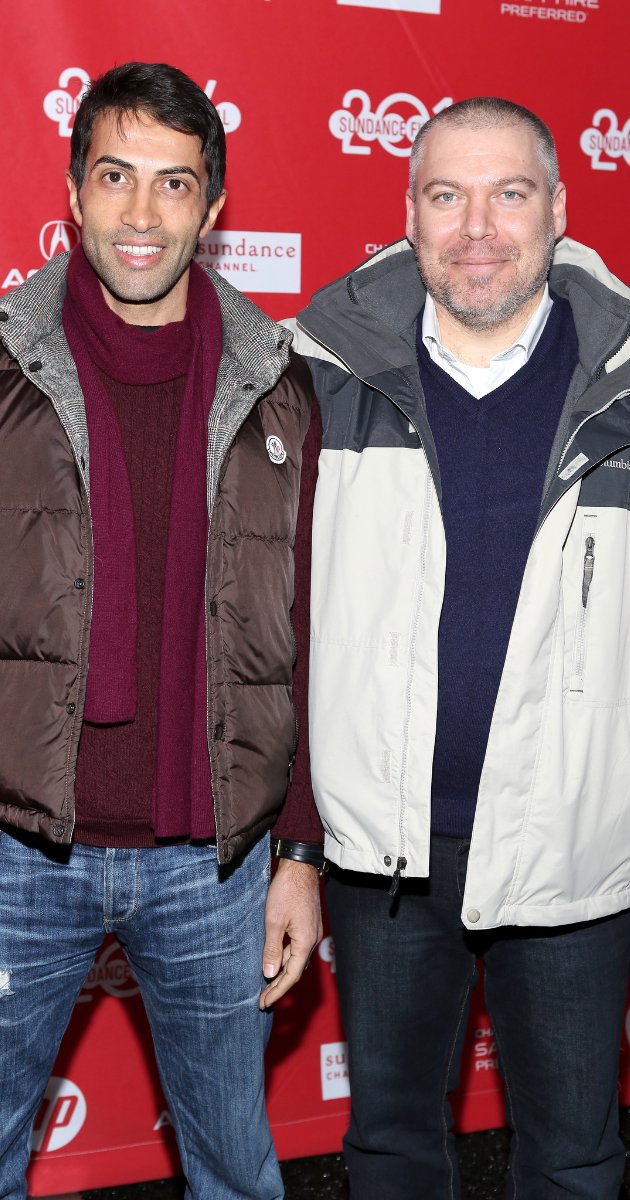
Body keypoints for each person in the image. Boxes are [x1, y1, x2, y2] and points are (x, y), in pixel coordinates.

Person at [289, 97, 630, 1199]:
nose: (477, 227)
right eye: (448, 195)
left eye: (508, 194)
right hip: (387, 855)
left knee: (575, 1161)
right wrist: (295, 847)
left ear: (559, 210)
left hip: (576, 848)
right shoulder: (322, 373)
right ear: (409, 214)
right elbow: (271, 627)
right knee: (391, 1151)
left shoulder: (624, 382)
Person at [0, 61, 324, 1200]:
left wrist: (297, 854)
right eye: (116, 176)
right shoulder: (4, 367)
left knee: (236, 1173)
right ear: (73, 190)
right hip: (16, 849)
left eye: (174, 183)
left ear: (213, 205)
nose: (142, 213)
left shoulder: (280, 385)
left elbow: (306, 635)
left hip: (213, 861)